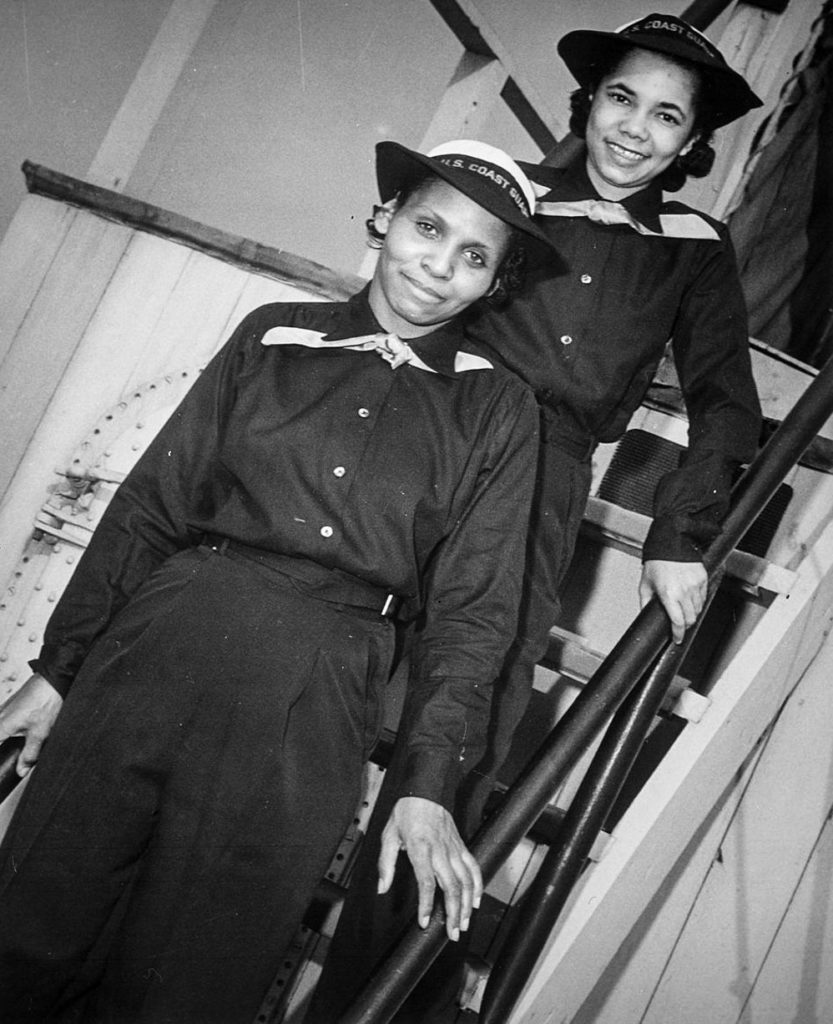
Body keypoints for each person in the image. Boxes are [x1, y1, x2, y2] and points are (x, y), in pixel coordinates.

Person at [0, 138, 560, 1023]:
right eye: (426, 226)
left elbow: (474, 614)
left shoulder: (497, 410)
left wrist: (424, 782)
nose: (438, 265)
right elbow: (151, 507)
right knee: (29, 929)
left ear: (494, 283)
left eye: (474, 256)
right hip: (164, 638)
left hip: (319, 689)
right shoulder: (271, 333)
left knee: (185, 985)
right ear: (383, 220)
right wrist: (59, 668)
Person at [307, 13, 764, 1023]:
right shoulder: (499, 195)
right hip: (426, 434)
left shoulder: (693, 249)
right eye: (618, 100)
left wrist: (676, 535)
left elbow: (727, 402)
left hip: (541, 482)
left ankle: (363, 1006)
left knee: (458, 745)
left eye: (664, 118)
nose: (632, 132)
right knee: (312, 667)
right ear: (587, 102)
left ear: (690, 145)